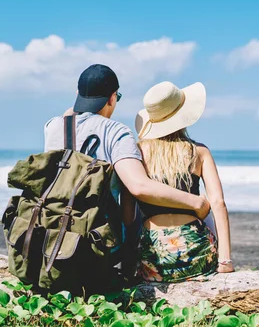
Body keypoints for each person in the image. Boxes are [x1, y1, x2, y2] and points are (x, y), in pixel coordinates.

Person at [43, 64, 211, 275]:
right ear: (112, 98)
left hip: (58, 234)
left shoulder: (52, 127)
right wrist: (196, 201)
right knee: (137, 198)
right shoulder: (116, 131)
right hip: (101, 243)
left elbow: (69, 114)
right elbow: (139, 186)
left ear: (77, 94)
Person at [125, 81, 233, 283]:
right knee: (206, 210)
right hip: (196, 252)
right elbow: (218, 203)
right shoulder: (198, 151)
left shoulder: (137, 153)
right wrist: (225, 261)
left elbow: (128, 216)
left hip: (155, 258)